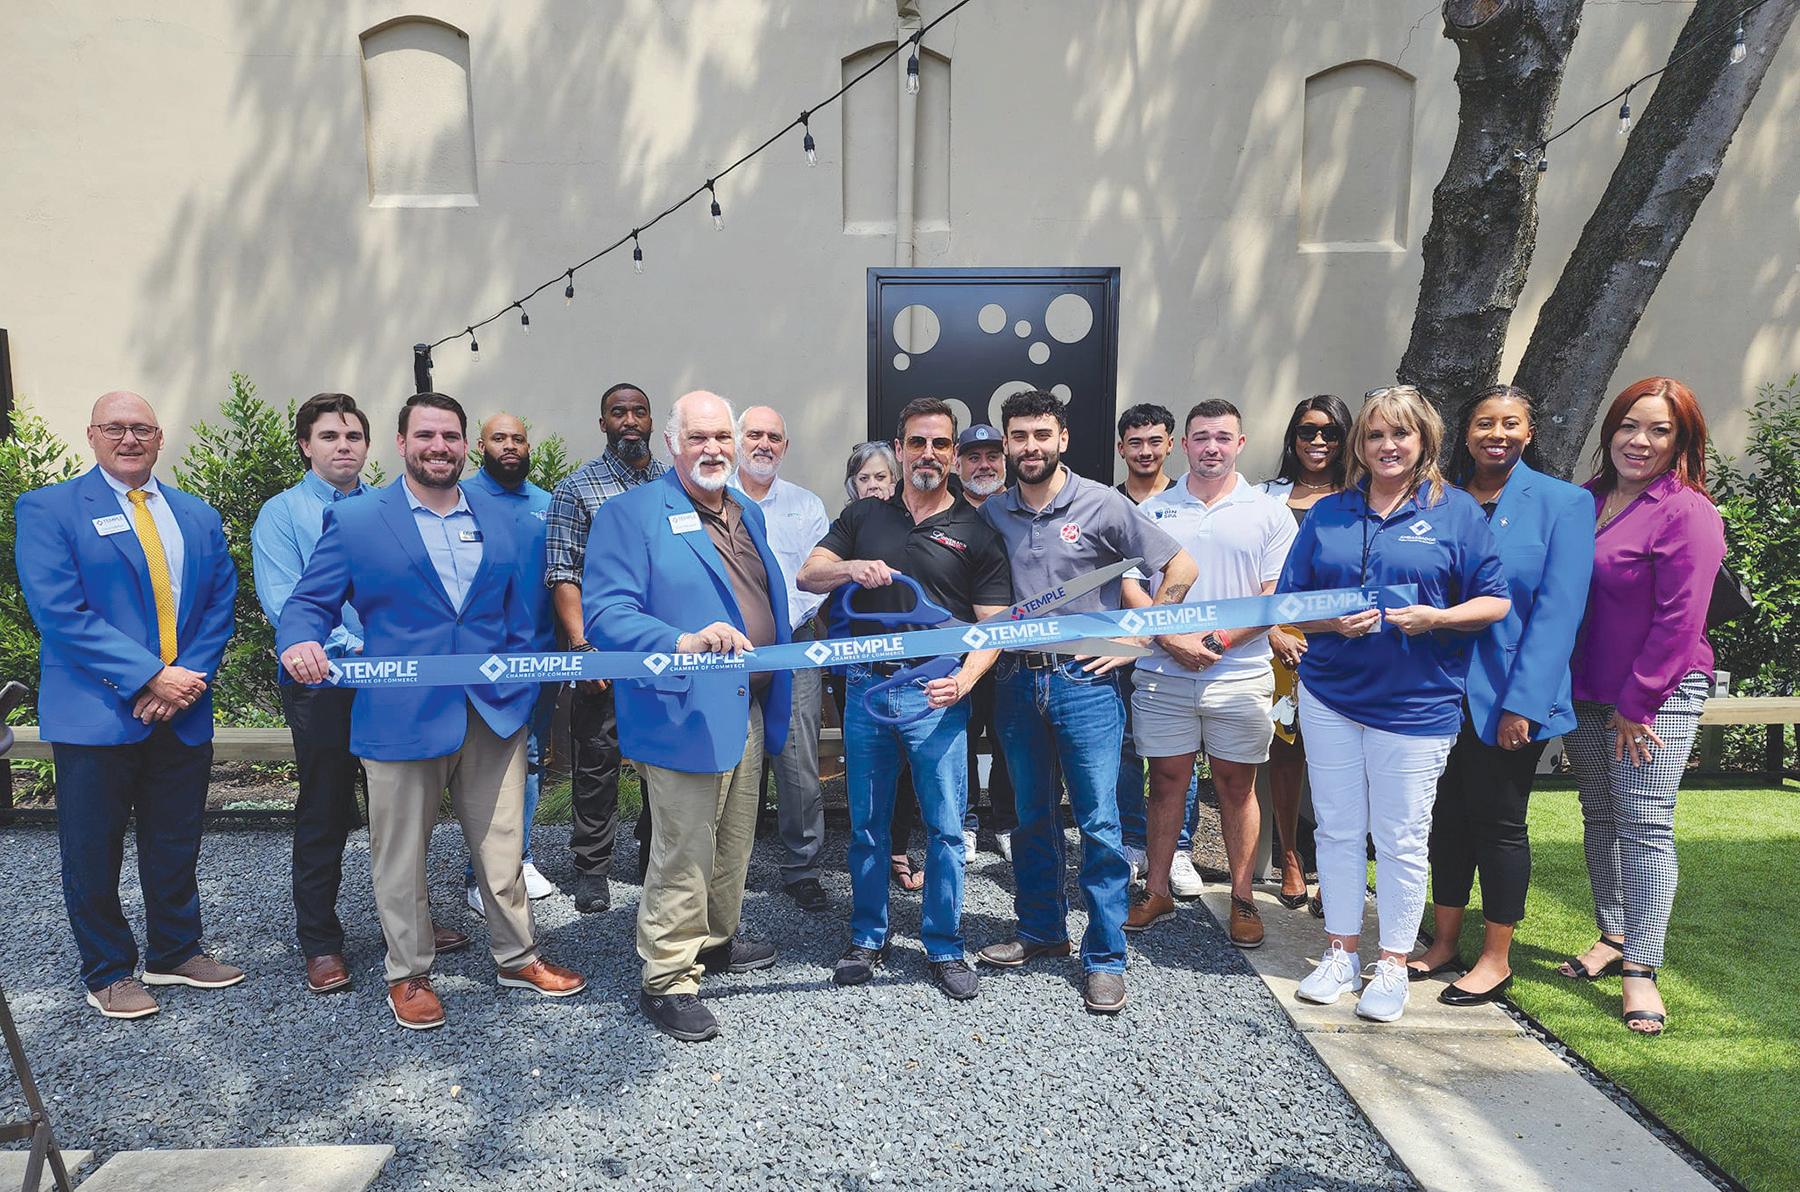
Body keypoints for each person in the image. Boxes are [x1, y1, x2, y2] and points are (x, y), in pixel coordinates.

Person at [279, 392, 586, 1031]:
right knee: (400, 855)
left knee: (503, 848)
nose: (438, 447)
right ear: (401, 443)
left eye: (450, 436)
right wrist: (300, 640)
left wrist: (522, 690)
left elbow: (522, 616)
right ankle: (409, 973)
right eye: (425, 435)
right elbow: (309, 603)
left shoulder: (503, 520)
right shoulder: (358, 520)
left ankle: (517, 956)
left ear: (465, 445)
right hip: (401, 715)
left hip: (493, 713)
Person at [1276, 385, 1509, 1024]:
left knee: (1401, 837)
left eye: (1400, 434)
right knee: (1337, 828)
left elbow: (1494, 601)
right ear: (1360, 444)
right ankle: (1340, 952)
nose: (1387, 445)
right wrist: (1330, 623)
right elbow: (1289, 605)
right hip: (1330, 695)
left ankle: (1393, 963)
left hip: (1416, 704)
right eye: (1375, 434)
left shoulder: (1457, 512)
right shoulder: (1329, 513)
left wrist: (1438, 617)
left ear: (1424, 440)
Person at [16, 391, 242, 1019]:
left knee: (176, 839)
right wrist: (149, 678)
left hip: (182, 707)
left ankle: (175, 951)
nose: (129, 438)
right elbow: (59, 612)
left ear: (160, 438)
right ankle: (108, 969)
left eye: (141, 428)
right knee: (93, 848)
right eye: (114, 427)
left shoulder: (196, 514)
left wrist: (184, 681)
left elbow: (220, 602)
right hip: (97, 710)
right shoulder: (49, 509)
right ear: (91, 435)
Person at [974, 388, 1193, 1015]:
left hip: (1086, 684)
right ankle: (1041, 930)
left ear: (1062, 439)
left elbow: (1181, 566)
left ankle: (1104, 956)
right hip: (1017, 683)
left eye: (1042, 434)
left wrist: (1140, 637)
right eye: (1019, 436)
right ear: (1007, 443)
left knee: (1097, 823)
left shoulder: (1102, 503)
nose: (1031, 447)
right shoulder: (992, 513)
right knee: (1030, 817)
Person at [584, 391, 792, 1043]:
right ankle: (668, 977)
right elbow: (606, 615)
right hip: (681, 709)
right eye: (698, 437)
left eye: (723, 437)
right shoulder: (630, 513)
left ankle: (716, 940)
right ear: (672, 443)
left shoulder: (747, 513)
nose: (713, 448)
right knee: (684, 849)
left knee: (734, 839)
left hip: (747, 703)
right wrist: (681, 640)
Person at [255, 393, 471, 997]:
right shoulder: (282, 513)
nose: (343, 447)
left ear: (372, 446)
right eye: (329, 437)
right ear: (306, 446)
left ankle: (409, 927)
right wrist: (367, 647)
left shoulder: (392, 506)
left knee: (402, 812)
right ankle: (321, 941)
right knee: (325, 809)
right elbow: (288, 602)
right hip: (325, 684)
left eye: (353, 437)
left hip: (397, 684)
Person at [799, 399, 1013, 1001]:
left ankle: (943, 944)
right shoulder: (864, 514)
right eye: (917, 442)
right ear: (899, 450)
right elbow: (808, 574)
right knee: (868, 824)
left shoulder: (977, 532)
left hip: (936, 696)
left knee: (945, 828)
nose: (928, 454)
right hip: (867, 687)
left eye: (940, 444)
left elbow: (994, 627)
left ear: (953, 453)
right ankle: (867, 937)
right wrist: (851, 569)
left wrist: (964, 681)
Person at [1407, 387, 1593, 1005]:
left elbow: (1558, 616)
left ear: (1529, 433)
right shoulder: (1441, 501)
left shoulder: (1564, 504)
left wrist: (1525, 705)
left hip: (1508, 697)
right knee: (1444, 819)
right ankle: (1443, 942)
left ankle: (1495, 958)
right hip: (1435, 693)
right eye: (1485, 423)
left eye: (1511, 423)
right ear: (1465, 434)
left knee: (1499, 823)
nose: (1497, 434)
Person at [1557, 377, 1725, 1036]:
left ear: (1681, 441)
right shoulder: (1588, 499)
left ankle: (1641, 969)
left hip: (1658, 693)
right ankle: (1614, 933)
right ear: (1611, 430)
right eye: (1629, 425)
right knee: (1600, 813)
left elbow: (1681, 620)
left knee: (1645, 822)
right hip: (1586, 687)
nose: (1639, 441)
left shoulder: (1687, 512)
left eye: (1659, 430)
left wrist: (1639, 703)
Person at [1127, 400, 1296, 950]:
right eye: (1201, 437)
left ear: (1240, 444)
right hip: (1163, 670)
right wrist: (1171, 639)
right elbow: (1131, 585)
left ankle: (1243, 897)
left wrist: (1217, 641)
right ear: (1184, 445)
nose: (1211, 447)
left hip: (1239, 671)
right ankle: (1156, 890)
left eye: (1223, 437)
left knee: (1235, 785)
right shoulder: (1153, 509)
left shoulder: (1269, 513)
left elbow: (1274, 597)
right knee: (1165, 781)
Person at [545, 383, 666, 912]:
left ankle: (654, 853)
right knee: (597, 760)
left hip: (665, 646)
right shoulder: (577, 489)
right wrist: (581, 645)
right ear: (603, 423)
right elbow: (563, 572)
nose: (630, 420)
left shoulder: (673, 483)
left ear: (652, 421)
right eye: (619, 412)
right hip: (604, 649)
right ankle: (592, 867)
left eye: (639, 411)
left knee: (664, 756)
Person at [734, 405, 832, 914]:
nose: (764, 444)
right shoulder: (715, 500)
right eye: (755, 434)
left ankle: (803, 867)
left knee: (798, 760)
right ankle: (729, 868)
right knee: (732, 754)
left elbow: (818, 580)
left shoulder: (806, 505)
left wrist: (775, 621)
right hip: (729, 653)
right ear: (737, 440)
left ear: (786, 446)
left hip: (794, 644)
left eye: (774, 436)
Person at [1259, 394, 1353, 911]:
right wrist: (1275, 628)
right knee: (1287, 751)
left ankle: (1336, 870)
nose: (1318, 441)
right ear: (1292, 437)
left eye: (1330, 432)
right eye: (1307, 431)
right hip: (1281, 644)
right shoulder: (1265, 497)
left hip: (1345, 642)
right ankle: (1290, 857)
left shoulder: (1363, 496)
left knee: (1341, 757)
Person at [462, 413, 559, 914]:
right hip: (479, 661)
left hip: (539, 655)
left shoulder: (549, 503)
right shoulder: (459, 499)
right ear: (480, 445)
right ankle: (480, 874)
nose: (509, 446)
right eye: (498, 438)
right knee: (483, 767)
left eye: (518, 438)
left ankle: (519, 858)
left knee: (532, 757)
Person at [1111, 403, 1202, 894]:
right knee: (1126, 745)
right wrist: (1161, 632)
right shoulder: (1107, 503)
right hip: (1126, 647)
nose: (1145, 451)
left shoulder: (1190, 501)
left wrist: (1173, 636)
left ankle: (1180, 848)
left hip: (1185, 648)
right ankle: (1132, 842)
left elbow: (1185, 571)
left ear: (1171, 444)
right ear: (1120, 448)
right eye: (1135, 443)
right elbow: (1120, 581)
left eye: (1154, 441)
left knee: (1180, 754)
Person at [837, 442, 926, 893]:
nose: (873, 486)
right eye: (864, 479)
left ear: (896, 481)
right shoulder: (847, 525)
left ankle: (898, 848)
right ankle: (868, 858)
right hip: (852, 667)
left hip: (910, 669)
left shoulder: (907, 526)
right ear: (852, 485)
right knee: (867, 769)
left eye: (881, 478)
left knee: (906, 768)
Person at [954, 425, 1017, 864]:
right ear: (958, 463)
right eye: (973, 457)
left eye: (992, 456)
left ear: (1005, 460)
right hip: (958, 650)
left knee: (1009, 739)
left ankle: (1007, 822)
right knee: (959, 738)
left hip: (1013, 651)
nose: (984, 465)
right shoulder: (945, 511)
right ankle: (965, 822)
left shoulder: (1021, 508)